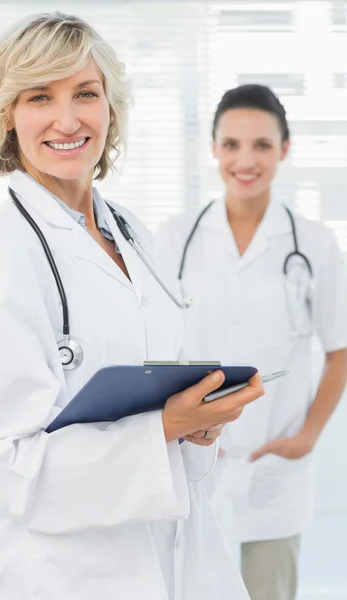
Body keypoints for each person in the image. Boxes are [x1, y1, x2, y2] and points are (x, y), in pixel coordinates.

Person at [0, 14, 266, 600]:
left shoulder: (131, 233)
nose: (68, 120)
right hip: (65, 578)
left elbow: (153, 376)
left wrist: (197, 423)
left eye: (86, 94)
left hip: (171, 560)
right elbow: (3, 467)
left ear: (110, 108)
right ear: (7, 117)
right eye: (40, 96)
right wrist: (167, 426)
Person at [155, 84, 347, 600]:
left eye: (262, 145)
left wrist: (307, 436)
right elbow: (153, 345)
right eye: (232, 144)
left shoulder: (314, 242)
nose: (246, 160)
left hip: (274, 463)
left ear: (283, 150)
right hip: (193, 458)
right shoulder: (174, 238)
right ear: (214, 148)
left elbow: (340, 350)